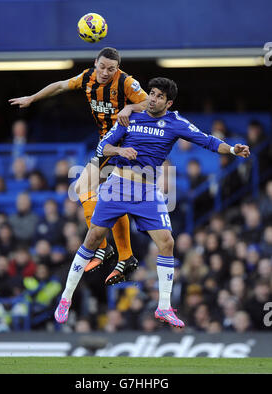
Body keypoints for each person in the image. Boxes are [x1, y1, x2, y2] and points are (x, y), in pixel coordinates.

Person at [54, 77, 250, 328]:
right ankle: (66, 298)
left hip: (147, 190)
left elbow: (208, 141)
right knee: (92, 239)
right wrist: (120, 151)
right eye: (152, 93)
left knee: (167, 242)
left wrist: (233, 150)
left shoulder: (175, 123)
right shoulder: (130, 118)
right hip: (118, 185)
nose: (153, 99)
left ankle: (164, 307)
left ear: (168, 103)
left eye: (159, 96)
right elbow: (103, 147)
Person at [9, 47, 148, 279]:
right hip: (108, 145)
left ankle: (106, 249)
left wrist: (131, 106)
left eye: (111, 69)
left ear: (117, 69)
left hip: (126, 145)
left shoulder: (126, 82)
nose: (105, 72)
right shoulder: (87, 77)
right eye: (102, 67)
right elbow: (61, 85)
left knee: (84, 188)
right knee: (101, 195)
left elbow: (150, 104)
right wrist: (33, 98)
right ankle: (123, 255)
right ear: (96, 63)